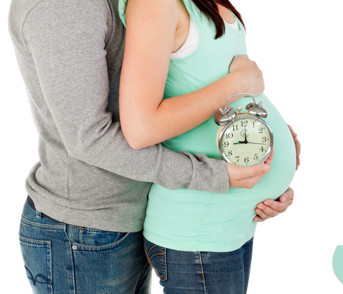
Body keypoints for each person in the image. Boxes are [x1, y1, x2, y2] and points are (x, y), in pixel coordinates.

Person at [7, 0, 299, 292]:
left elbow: (179, 87)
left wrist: (260, 153)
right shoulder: (62, 8)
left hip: (137, 207)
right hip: (84, 230)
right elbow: (90, 139)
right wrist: (213, 176)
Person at [118, 0, 298, 292]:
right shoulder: (155, 4)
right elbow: (141, 129)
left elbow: (211, 88)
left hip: (232, 223)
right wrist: (239, 81)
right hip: (198, 229)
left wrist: (274, 145)